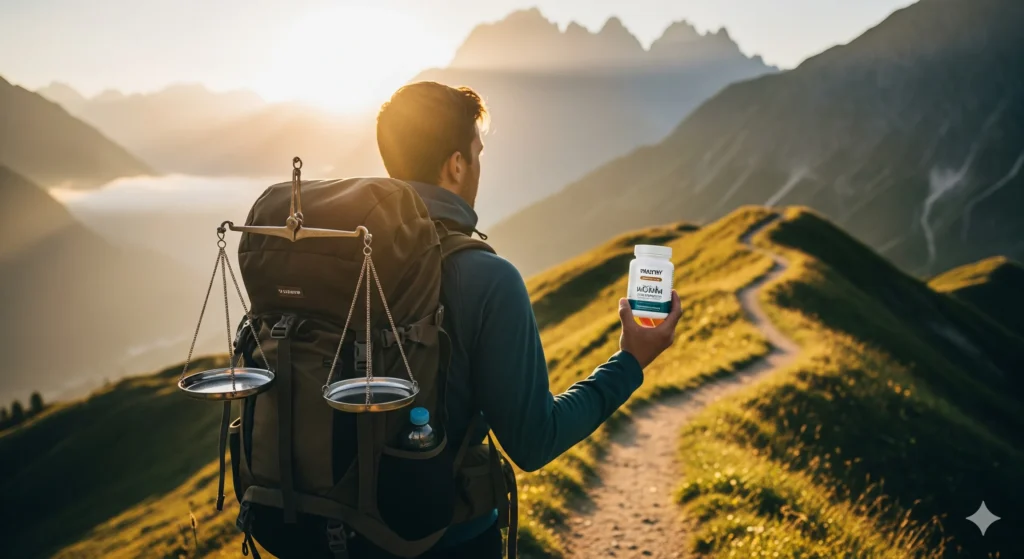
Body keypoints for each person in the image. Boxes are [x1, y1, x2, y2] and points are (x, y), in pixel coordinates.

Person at [364, 81, 683, 557]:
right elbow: (535, 442)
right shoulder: (487, 277)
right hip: (442, 538)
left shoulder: (351, 253)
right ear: (456, 164)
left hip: (332, 529)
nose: (479, 164)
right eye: (478, 151)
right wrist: (630, 361)